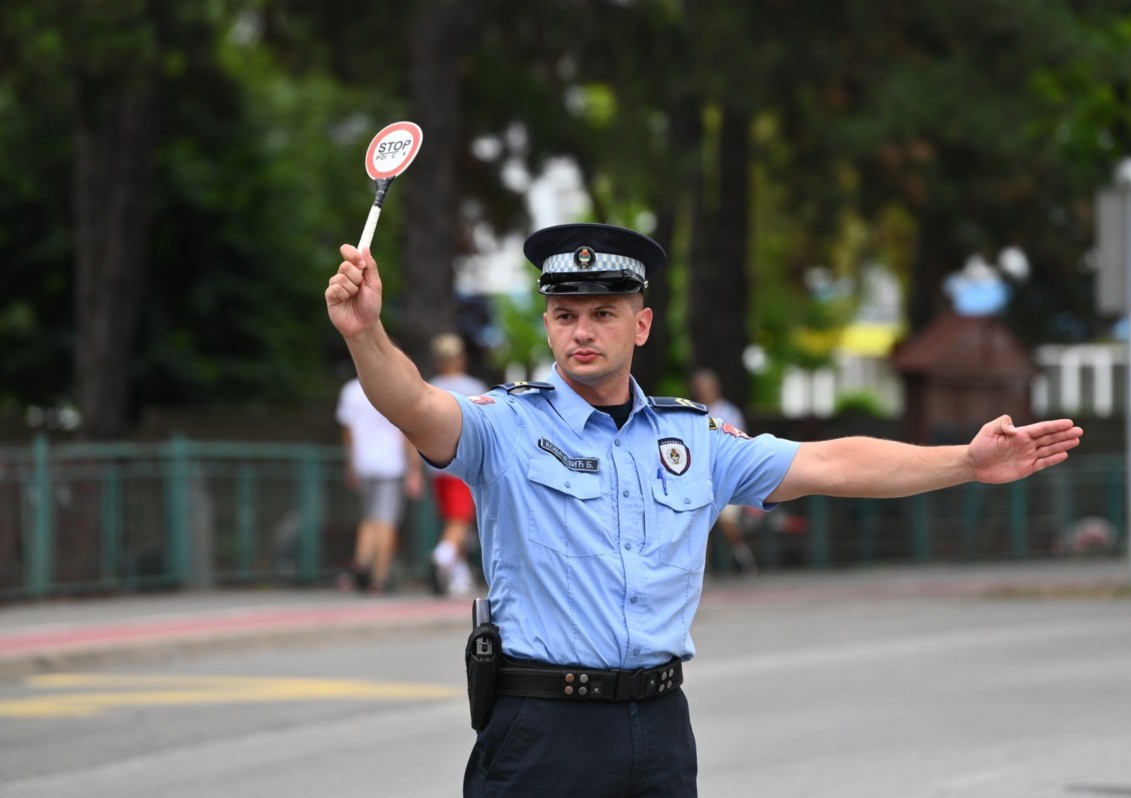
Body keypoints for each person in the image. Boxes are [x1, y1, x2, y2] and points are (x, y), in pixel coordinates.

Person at [325, 222, 1082, 796]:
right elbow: (417, 406)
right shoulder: (506, 426)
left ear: (641, 324)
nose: (581, 330)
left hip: (659, 725)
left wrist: (965, 462)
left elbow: (830, 462)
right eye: (565, 315)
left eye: (603, 312)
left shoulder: (692, 438)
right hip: (541, 729)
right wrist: (366, 335)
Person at [336, 375, 423, 594]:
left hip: (364, 463)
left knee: (369, 517)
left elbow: (347, 431)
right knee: (386, 521)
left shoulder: (351, 390)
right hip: (391, 463)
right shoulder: (394, 385)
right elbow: (406, 432)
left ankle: (362, 560)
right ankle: (380, 576)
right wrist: (414, 470)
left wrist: (352, 463)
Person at [427, 332, 488, 597]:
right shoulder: (474, 387)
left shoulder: (429, 386)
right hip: (466, 463)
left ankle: (459, 578)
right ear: (461, 358)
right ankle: (442, 557)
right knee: (461, 520)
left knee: (452, 519)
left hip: (435, 465)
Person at [689, 368, 758, 573]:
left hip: (726, 475)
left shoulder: (729, 412)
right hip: (700, 476)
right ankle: (702, 569)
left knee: (728, 522)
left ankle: (741, 554)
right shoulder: (693, 411)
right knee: (699, 526)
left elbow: (739, 442)